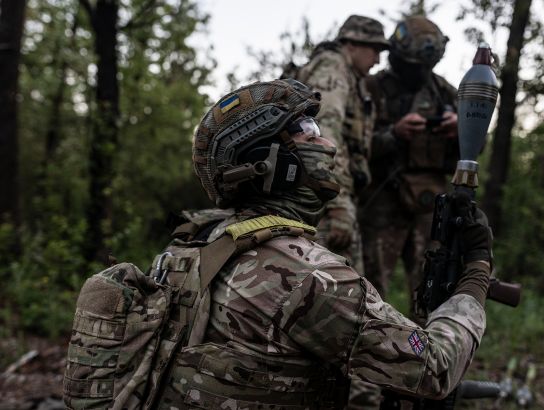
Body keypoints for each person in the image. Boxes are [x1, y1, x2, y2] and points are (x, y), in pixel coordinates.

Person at [152, 79, 491, 409]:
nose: (329, 145)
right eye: (309, 132)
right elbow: (434, 368)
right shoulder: (310, 276)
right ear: (270, 161)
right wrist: (475, 273)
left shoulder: (189, 246)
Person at [361, 16, 460, 316]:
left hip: (431, 207)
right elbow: (351, 145)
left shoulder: (445, 93)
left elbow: (472, 151)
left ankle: (427, 351)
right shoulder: (370, 89)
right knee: (370, 288)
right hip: (381, 200)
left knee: (432, 285)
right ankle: (373, 351)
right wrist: (394, 134)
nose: (416, 72)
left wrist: (461, 130)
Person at [297, 15, 389, 276]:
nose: (378, 60)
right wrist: (336, 203)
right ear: (352, 44)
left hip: (326, 195)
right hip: (324, 199)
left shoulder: (349, 75)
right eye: (374, 50)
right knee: (340, 285)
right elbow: (321, 135)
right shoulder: (333, 67)